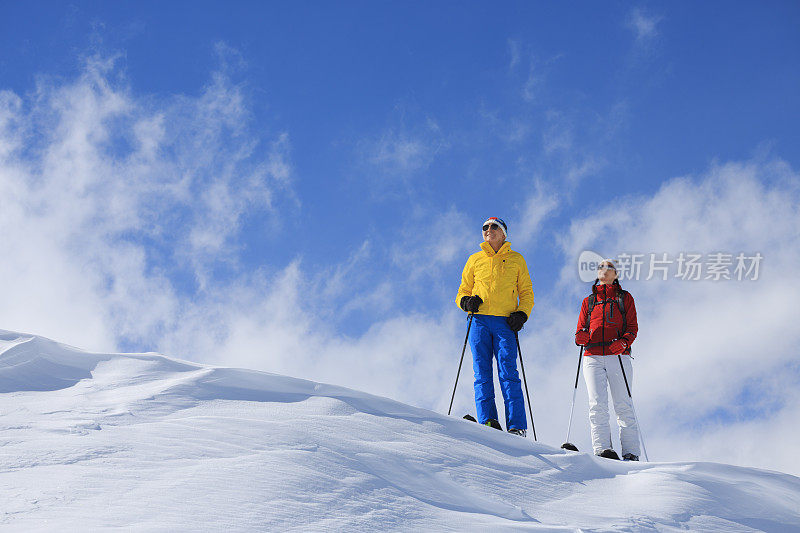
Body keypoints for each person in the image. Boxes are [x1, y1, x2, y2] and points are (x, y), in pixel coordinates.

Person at [455, 217, 534, 436]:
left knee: (508, 372)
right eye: (485, 227)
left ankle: (516, 426)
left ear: (503, 233)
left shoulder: (517, 259)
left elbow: (526, 292)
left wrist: (521, 314)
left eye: (494, 227)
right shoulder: (475, 259)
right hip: (479, 321)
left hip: (504, 322)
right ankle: (488, 420)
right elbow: (463, 290)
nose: (488, 230)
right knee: (482, 372)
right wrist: (466, 302)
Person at [574, 259, 641, 460]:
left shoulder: (625, 298)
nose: (604, 270)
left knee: (623, 404)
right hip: (592, 356)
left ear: (616, 274)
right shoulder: (589, 301)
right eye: (601, 267)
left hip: (618, 356)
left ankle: (631, 453)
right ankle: (603, 449)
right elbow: (579, 330)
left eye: (609, 267)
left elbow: (632, 327)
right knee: (597, 404)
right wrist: (580, 338)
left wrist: (623, 342)